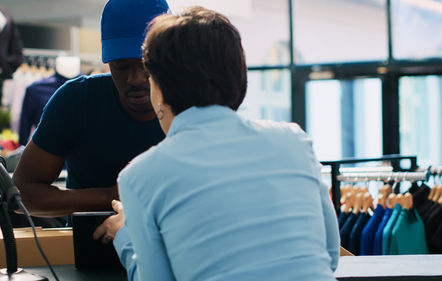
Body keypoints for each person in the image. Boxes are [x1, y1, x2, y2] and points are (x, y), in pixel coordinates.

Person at [93, 6, 340, 281]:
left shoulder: (139, 177)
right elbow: (329, 257)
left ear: (160, 88)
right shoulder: (294, 140)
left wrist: (124, 235)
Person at [12, 0, 169, 217]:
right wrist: (110, 196)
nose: (135, 79)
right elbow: (21, 195)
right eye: (121, 66)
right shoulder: (77, 100)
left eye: (145, 64)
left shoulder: (189, 100)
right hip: (90, 244)